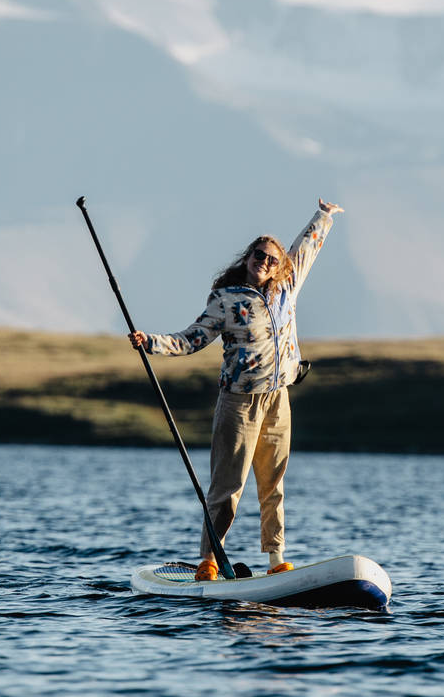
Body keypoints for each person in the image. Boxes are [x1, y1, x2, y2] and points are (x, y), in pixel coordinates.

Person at [129, 199, 343, 580]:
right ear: (248, 258)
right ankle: (209, 558)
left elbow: (307, 249)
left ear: (280, 266)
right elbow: (193, 338)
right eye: (259, 255)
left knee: (273, 482)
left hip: (278, 397)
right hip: (238, 403)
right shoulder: (226, 300)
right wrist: (152, 343)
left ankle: (277, 559)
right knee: (228, 484)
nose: (265, 262)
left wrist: (323, 216)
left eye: (272, 259)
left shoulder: (287, 287)